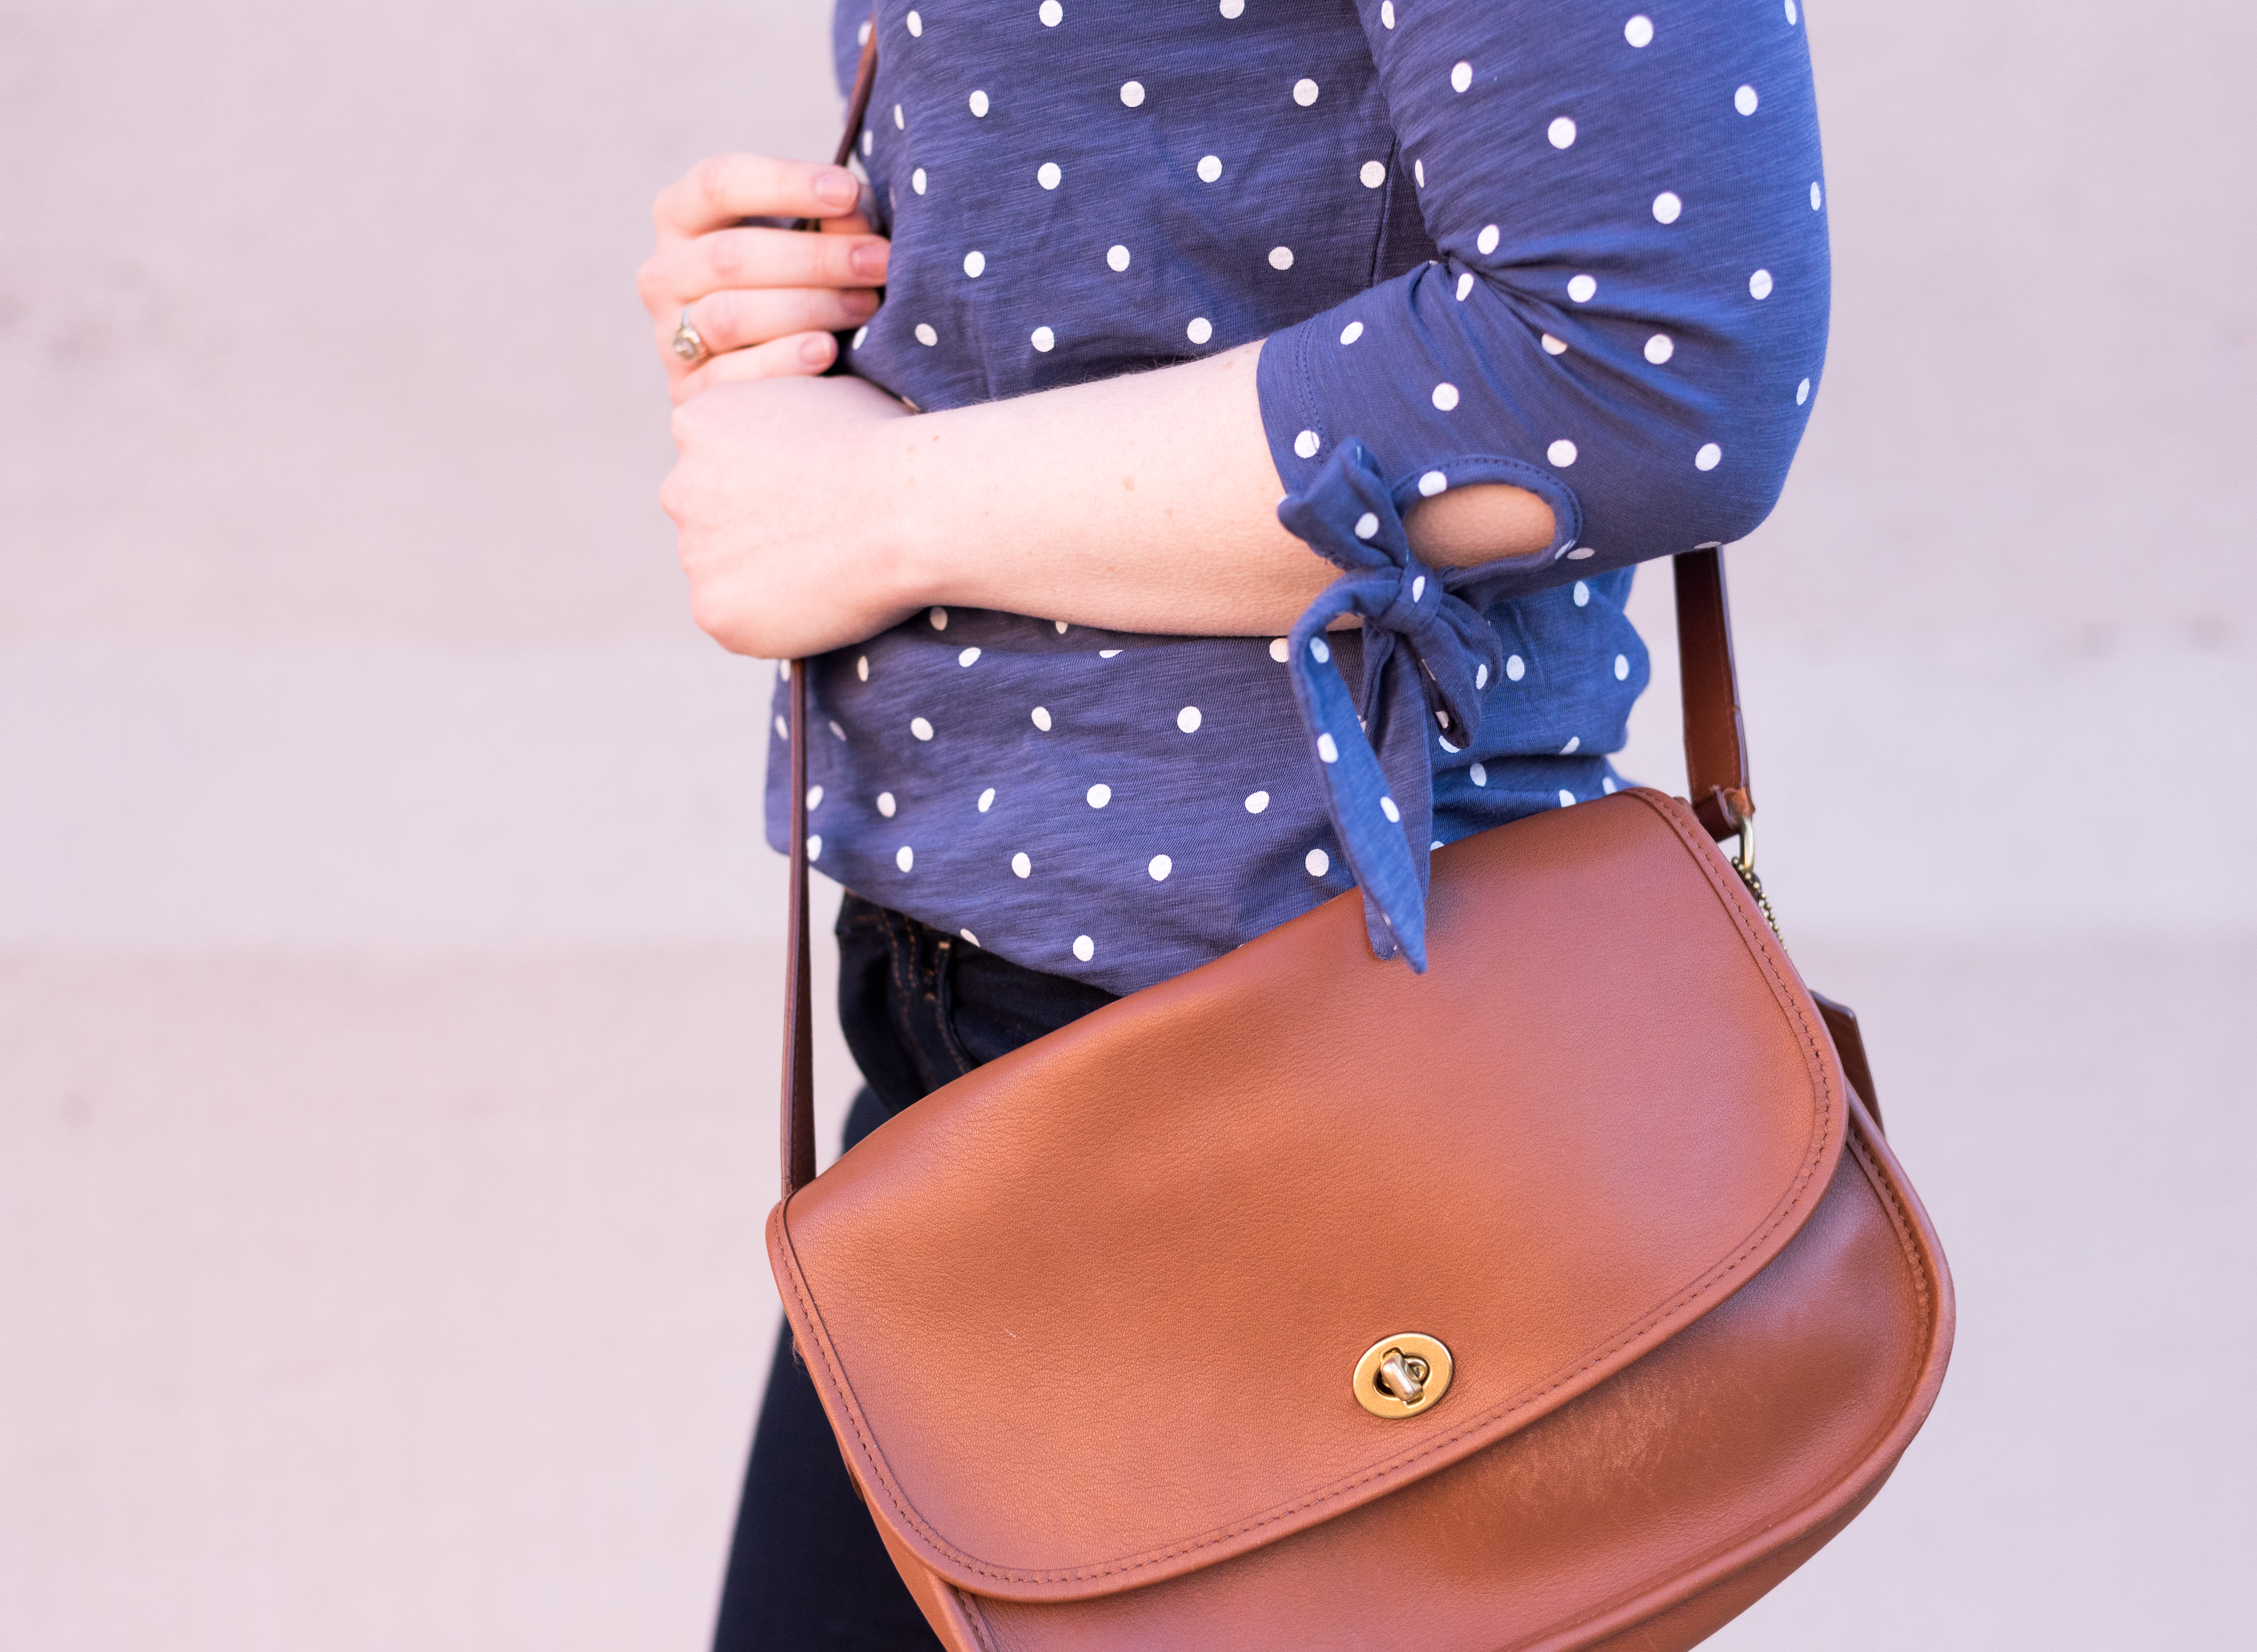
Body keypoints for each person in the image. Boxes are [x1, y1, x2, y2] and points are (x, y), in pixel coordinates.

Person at [638, 2, 1827, 1644]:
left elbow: (1646, 364)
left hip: (1323, 1040)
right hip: (973, 1055)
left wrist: (879, 506)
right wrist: (819, 300)